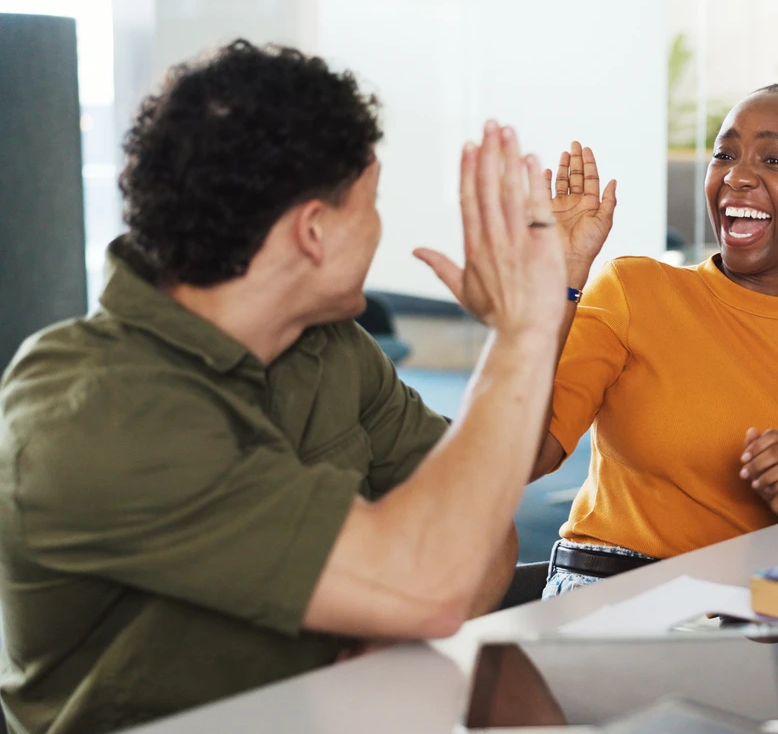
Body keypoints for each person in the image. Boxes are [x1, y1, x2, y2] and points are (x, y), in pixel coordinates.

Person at [0, 41, 570, 733]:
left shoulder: (333, 348)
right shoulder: (92, 411)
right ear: (313, 230)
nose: (380, 225)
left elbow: (477, 532)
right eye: (372, 201)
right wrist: (522, 331)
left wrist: (394, 623)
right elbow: (435, 576)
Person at [519, 84, 778, 596]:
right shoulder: (633, 290)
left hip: (766, 606)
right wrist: (559, 283)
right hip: (617, 592)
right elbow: (524, 459)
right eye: (724, 154)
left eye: (774, 159)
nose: (738, 176)